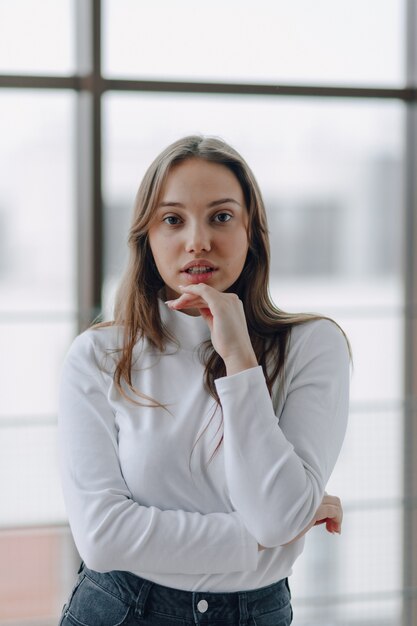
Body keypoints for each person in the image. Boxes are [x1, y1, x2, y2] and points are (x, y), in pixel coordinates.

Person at [57, 135, 350, 626]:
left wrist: (239, 358)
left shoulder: (313, 345)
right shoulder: (99, 355)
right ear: (146, 237)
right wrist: (256, 540)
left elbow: (278, 517)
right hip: (119, 609)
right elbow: (102, 536)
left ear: (251, 231)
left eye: (221, 216)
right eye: (173, 219)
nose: (198, 241)